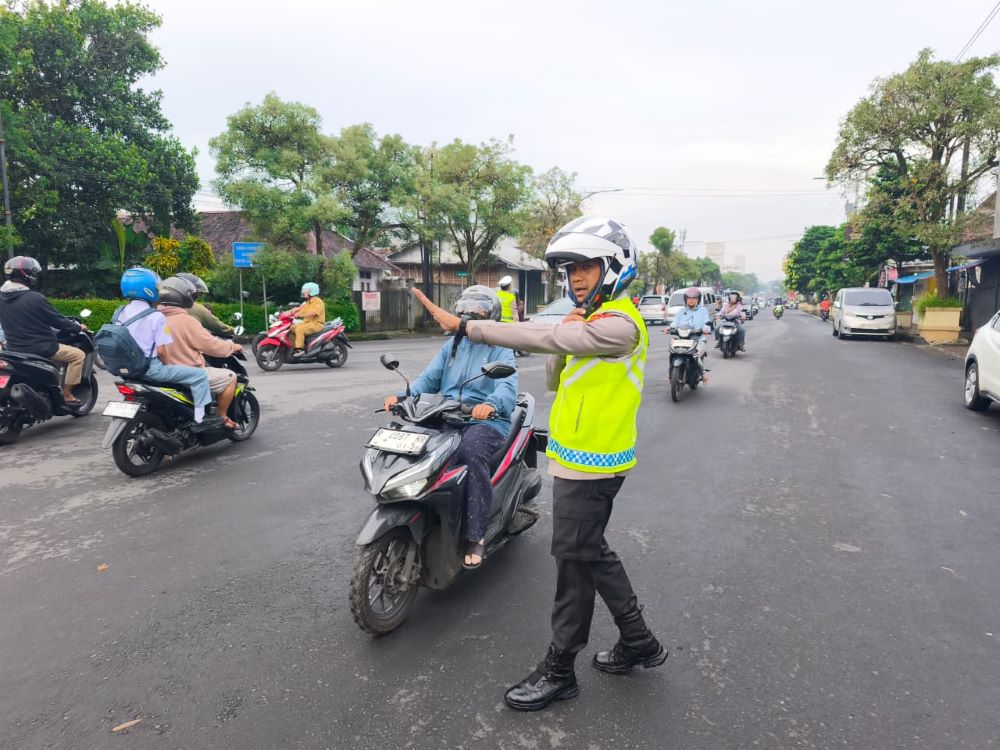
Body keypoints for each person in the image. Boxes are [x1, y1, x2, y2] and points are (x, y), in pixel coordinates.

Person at [412, 215, 665, 712]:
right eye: (570, 270)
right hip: (578, 456)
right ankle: (638, 639)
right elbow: (554, 376)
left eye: (587, 267)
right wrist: (567, 331)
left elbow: (541, 339)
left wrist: (468, 327)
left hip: (594, 465)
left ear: (613, 267)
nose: (576, 279)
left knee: (573, 563)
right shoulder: (592, 321)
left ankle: (561, 668)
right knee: (591, 551)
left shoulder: (619, 324)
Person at [383, 286, 517, 568]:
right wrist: (403, 396)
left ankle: (475, 535)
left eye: (477, 313)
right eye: (466, 312)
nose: (471, 317)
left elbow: (507, 385)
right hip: (447, 414)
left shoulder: (500, 346)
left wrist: (491, 404)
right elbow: (428, 379)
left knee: (470, 452)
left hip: (487, 420)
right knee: (414, 444)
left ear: (489, 317)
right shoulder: (453, 345)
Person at [115, 268, 219, 429]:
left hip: (125, 369)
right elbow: (163, 352)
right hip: (150, 370)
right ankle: (200, 419)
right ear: (149, 289)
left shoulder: (119, 312)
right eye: (157, 287)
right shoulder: (156, 316)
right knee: (199, 376)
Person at [156, 277, 244, 430]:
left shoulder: (153, 317)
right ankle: (221, 416)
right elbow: (211, 345)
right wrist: (233, 347)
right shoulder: (187, 320)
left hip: (160, 373)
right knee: (230, 377)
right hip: (188, 372)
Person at [0, 256, 86, 404]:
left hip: (13, 350)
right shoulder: (35, 298)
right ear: (28, 275)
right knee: (78, 355)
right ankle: (67, 394)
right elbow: (58, 321)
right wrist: (77, 327)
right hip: (42, 348)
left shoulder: (1, 297)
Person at [672, 287, 713, 364]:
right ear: (686, 299)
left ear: (698, 300)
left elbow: (706, 322)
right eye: (689, 298)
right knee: (673, 352)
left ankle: (703, 373)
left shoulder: (703, 310)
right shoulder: (682, 311)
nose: (691, 300)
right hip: (682, 339)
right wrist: (670, 328)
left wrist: (705, 328)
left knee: (696, 355)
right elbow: (675, 322)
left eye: (694, 298)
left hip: (698, 339)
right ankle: (671, 372)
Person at [289, 282, 325, 357]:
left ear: (312, 291)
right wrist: (288, 312)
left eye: (305, 291)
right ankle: (293, 346)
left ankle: (299, 349)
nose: (303, 292)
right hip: (308, 323)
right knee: (290, 328)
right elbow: (299, 309)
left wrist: (300, 315)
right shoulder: (308, 302)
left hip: (316, 324)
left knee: (299, 328)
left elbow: (313, 313)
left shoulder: (318, 302)